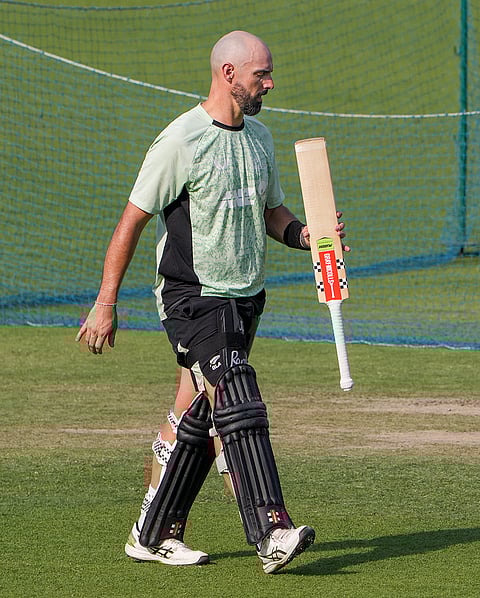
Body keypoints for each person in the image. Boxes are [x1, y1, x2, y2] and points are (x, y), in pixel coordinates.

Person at [76, 30, 348, 574]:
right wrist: (105, 302)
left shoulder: (261, 139)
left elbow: (272, 212)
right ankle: (272, 530)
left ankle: (152, 534)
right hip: (193, 298)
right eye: (260, 75)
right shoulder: (180, 142)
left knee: (196, 417)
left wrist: (308, 236)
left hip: (247, 297)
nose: (269, 84)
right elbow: (132, 221)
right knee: (238, 399)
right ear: (228, 75)